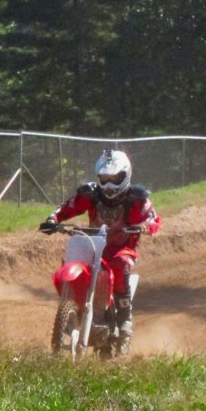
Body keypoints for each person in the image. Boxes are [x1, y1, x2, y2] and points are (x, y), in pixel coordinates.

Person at [39, 148, 160, 355]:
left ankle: (124, 320)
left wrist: (144, 227)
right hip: (94, 244)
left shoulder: (136, 198)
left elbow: (153, 219)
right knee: (73, 262)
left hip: (122, 248)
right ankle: (73, 307)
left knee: (120, 265)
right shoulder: (91, 194)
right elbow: (67, 207)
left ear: (125, 176)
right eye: (105, 178)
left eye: (115, 178)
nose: (110, 184)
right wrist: (53, 220)